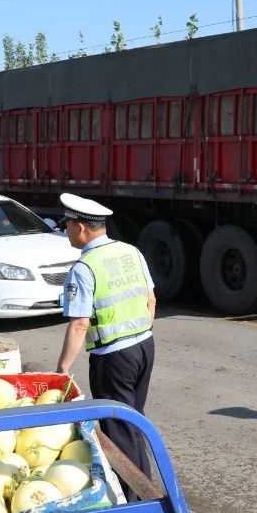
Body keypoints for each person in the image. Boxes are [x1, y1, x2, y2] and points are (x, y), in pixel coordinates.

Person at [54, 193, 157, 488]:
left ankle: (134, 495)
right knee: (133, 420)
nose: (66, 231)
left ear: (80, 228)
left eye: (67, 225)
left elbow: (79, 324)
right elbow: (151, 300)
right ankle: (145, 486)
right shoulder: (131, 252)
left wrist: (62, 370)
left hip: (114, 357)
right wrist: (138, 333)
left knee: (118, 430)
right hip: (143, 347)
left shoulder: (84, 268)